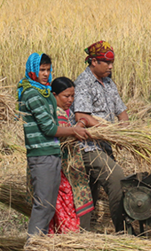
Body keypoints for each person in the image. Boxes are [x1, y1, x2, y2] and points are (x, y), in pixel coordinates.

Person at [18, 53, 89, 237]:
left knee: (49, 206)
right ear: (32, 70)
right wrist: (74, 131)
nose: (45, 73)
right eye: (41, 70)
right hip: (41, 155)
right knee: (43, 205)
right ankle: (32, 248)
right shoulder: (32, 94)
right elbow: (49, 128)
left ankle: (42, 246)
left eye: (48, 70)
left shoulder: (44, 92)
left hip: (52, 152)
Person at [72, 40, 128, 232]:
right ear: (94, 62)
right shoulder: (84, 83)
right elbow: (82, 117)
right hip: (88, 146)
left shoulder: (109, 82)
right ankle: (122, 231)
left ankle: (85, 232)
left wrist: (125, 129)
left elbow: (121, 110)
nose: (111, 66)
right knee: (117, 179)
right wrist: (111, 132)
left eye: (112, 62)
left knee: (90, 189)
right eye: (107, 62)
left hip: (105, 145)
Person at [48, 77, 94, 234]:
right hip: (60, 172)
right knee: (64, 208)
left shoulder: (61, 112)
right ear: (54, 95)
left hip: (62, 171)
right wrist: (80, 125)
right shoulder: (55, 113)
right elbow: (63, 136)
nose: (70, 100)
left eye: (72, 96)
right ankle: (68, 240)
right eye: (66, 96)